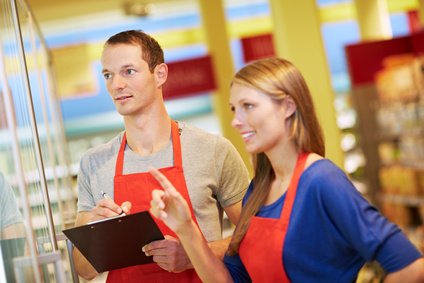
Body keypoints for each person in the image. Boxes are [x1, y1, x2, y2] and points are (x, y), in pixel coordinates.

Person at [149, 57, 424, 282]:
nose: (236, 121)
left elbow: (411, 267)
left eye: (248, 106)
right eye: (234, 109)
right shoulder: (258, 190)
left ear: (288, 107)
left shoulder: (321, 181)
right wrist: (185, 227)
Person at [72, 29, 249, 282]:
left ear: (160, 74)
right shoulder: (93, 163)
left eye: (128, 71)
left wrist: (193, 255)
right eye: (108, 75)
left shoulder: (213, 150)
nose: (116, 85)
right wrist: (96, 232)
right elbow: (84, 270)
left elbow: (252, 237)